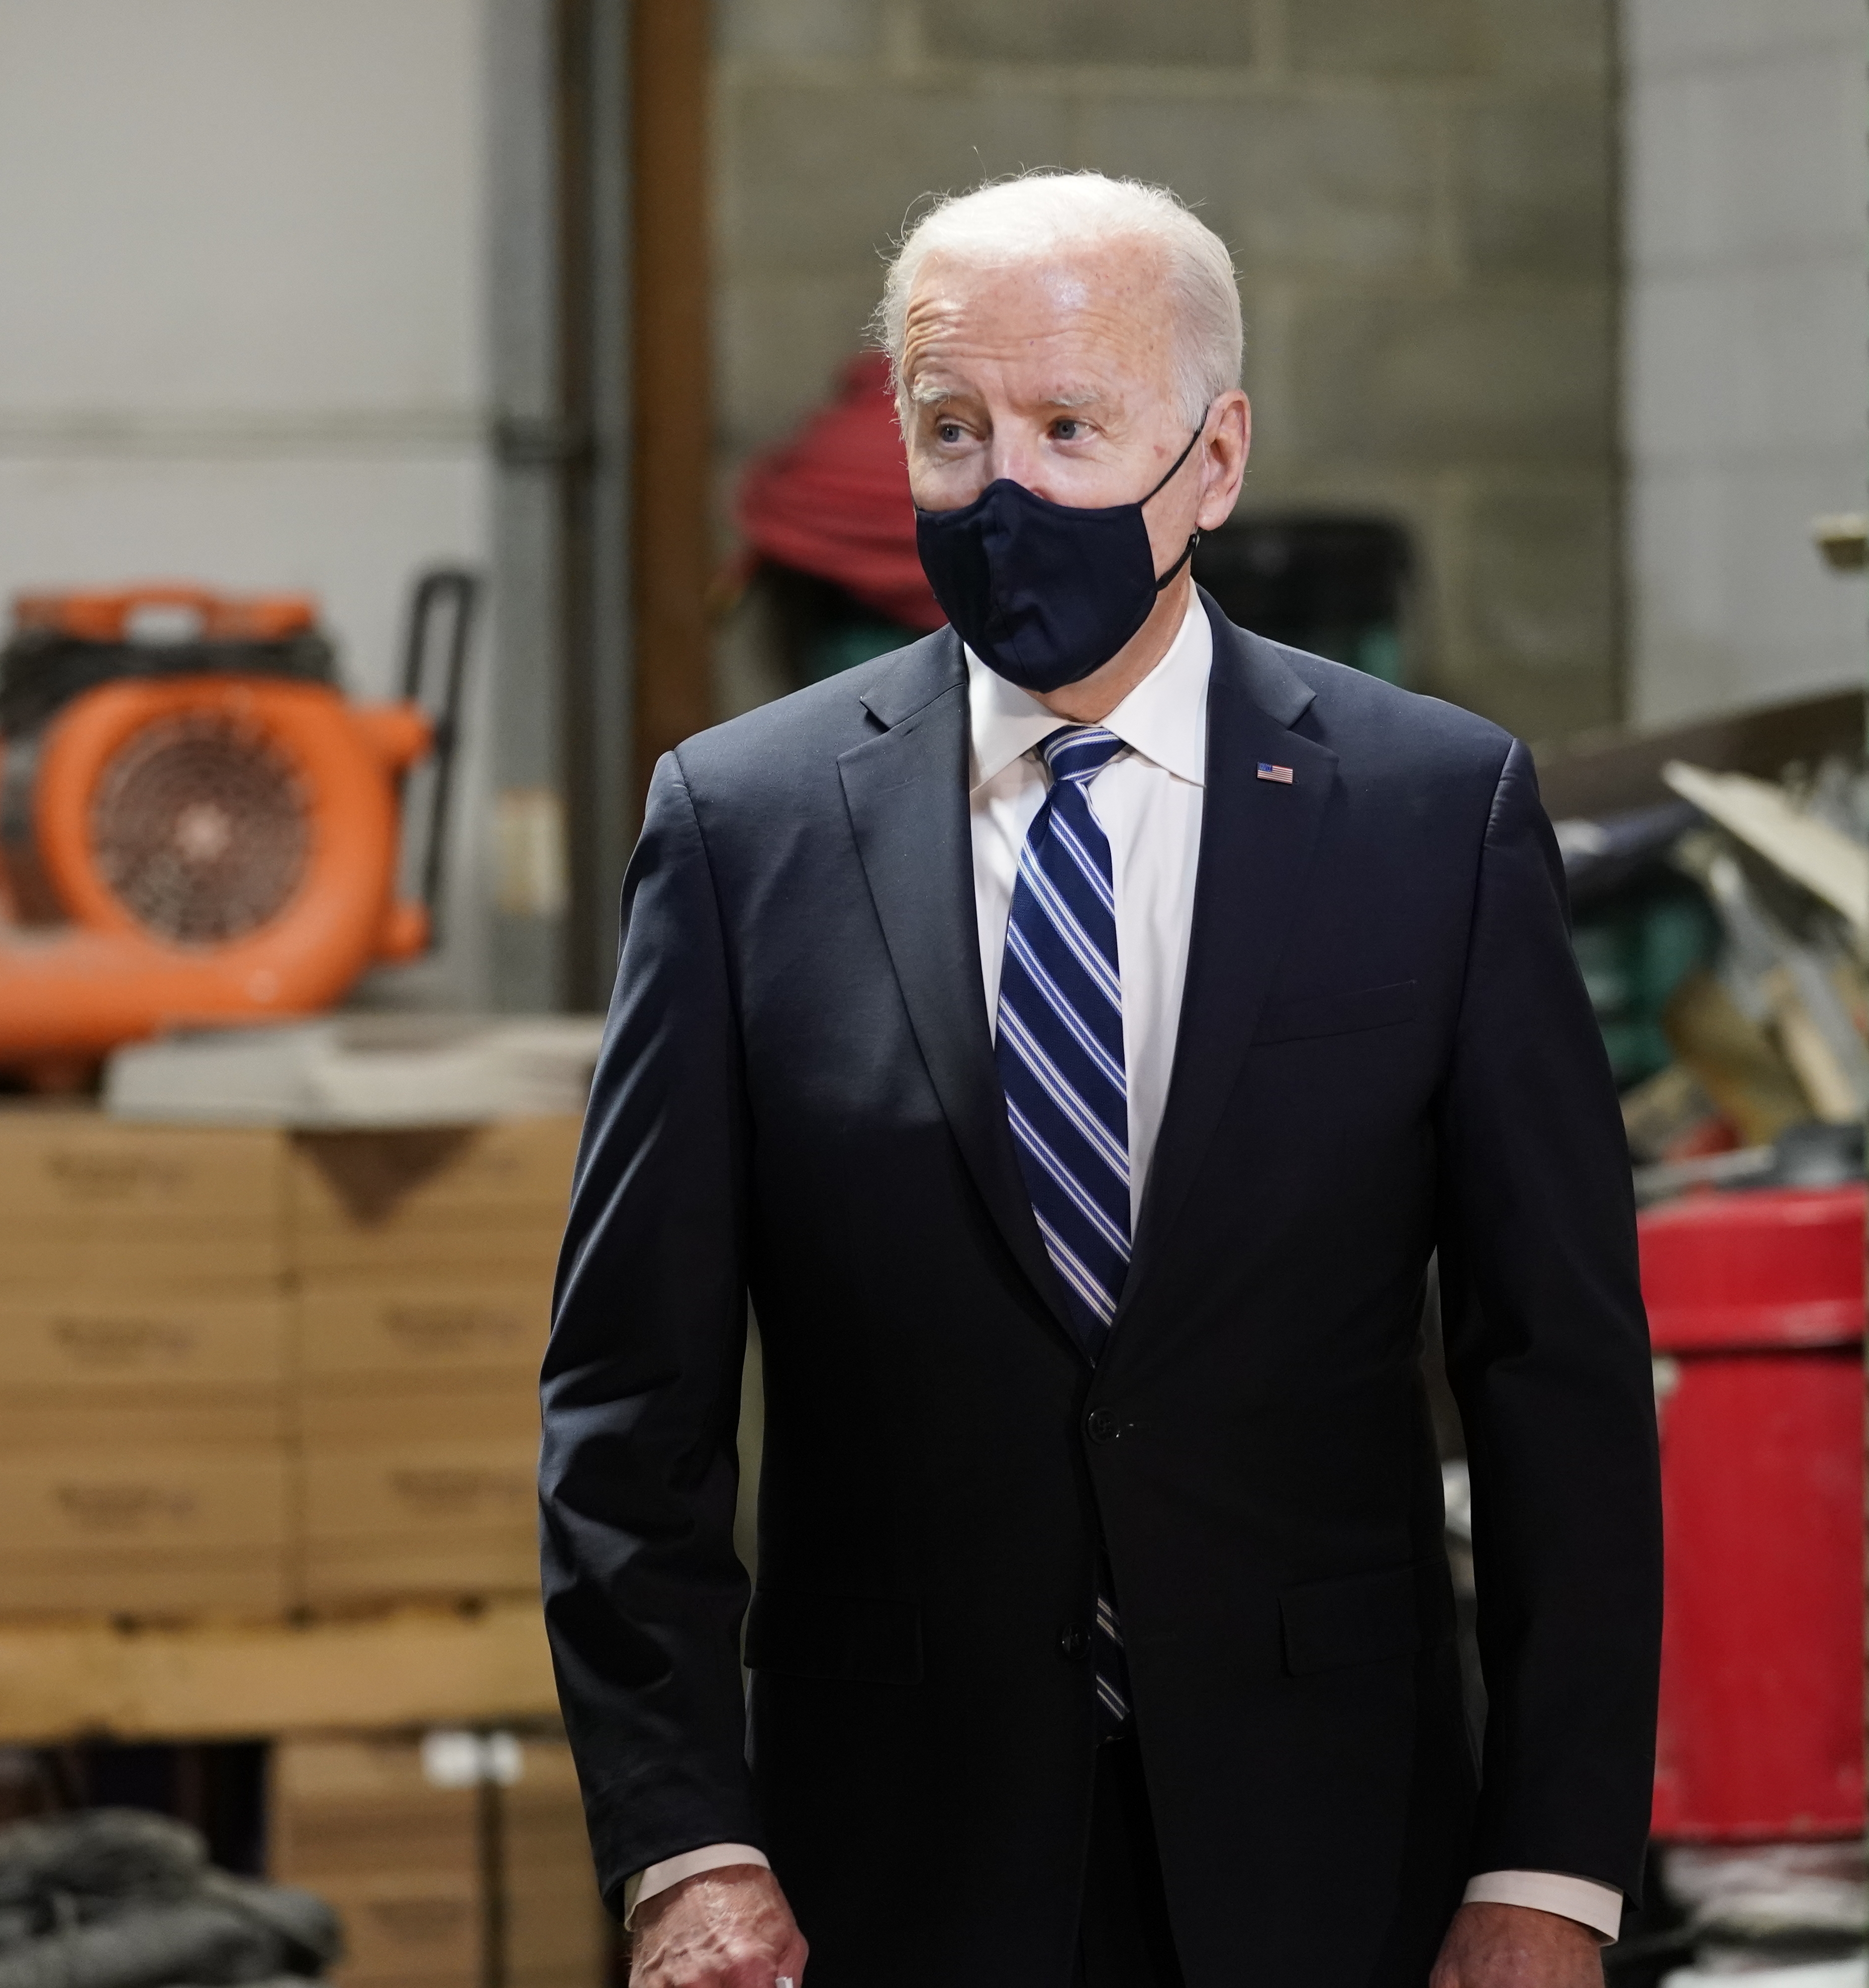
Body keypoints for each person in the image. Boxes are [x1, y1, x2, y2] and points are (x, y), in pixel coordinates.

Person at [539, 171, 1661, 1988]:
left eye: (1072, 430)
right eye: (956, 429)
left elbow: (1561, 1381)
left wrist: (1552, 1866)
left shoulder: (1433, 816)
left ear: (1211, 462)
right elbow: (626, 1401)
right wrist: (686, 1844)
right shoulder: (741, 829)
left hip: (1328, 1839)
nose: (1007, 491)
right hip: (885, 1862)